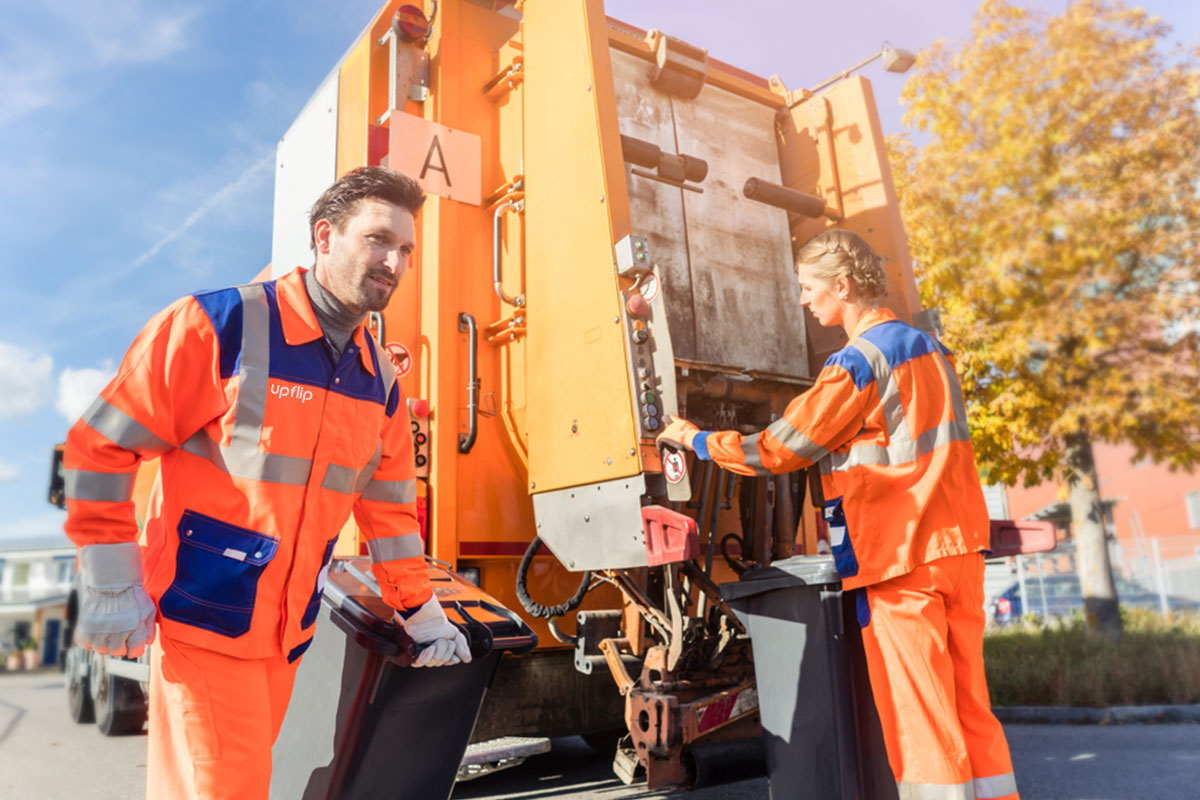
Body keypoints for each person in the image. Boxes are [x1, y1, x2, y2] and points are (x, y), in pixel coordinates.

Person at [63, 166, 470, 800]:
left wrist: (421, 613)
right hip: (203, 626)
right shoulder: (217, 326)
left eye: (406, 250)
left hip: (286, 641)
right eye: (378, 239)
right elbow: (100, 446)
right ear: (325, 236)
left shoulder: (380, 381)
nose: (395, 261)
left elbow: (390, 519)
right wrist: (112, 579)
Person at [657, 229, 1019, 800]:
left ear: (842, 287)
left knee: (921, 718)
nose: (803, 299)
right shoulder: (933, 351)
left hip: (902, 564)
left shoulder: (859, 361)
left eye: (808, 287)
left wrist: (698, 442)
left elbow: (780, 447)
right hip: (959, 553)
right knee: (972, 707)